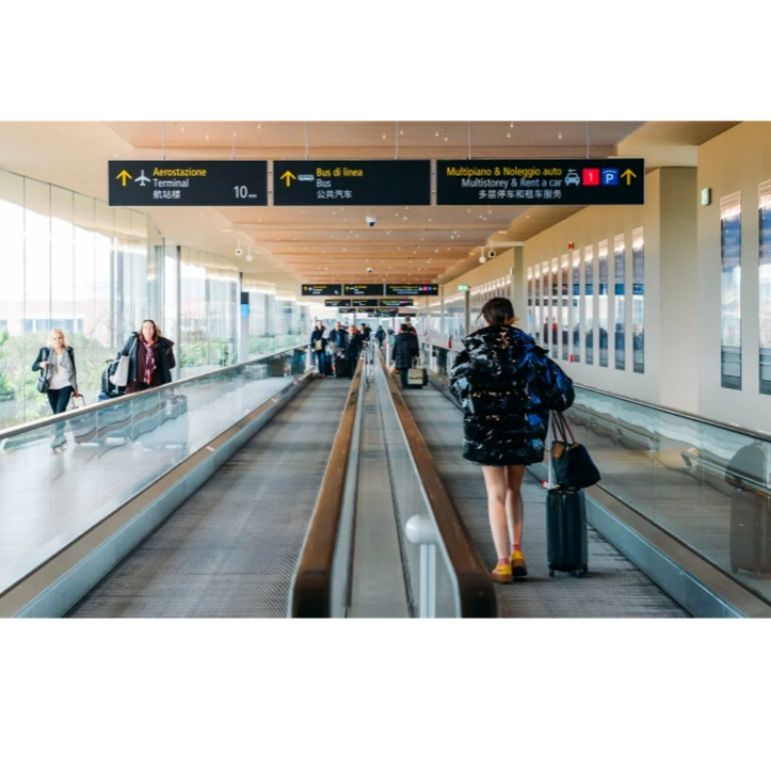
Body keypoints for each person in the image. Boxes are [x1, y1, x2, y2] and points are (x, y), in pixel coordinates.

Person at [449, 297, 575, 584]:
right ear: (512, 318)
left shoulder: (472, 350)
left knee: (495, 494)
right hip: (523, 429)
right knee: (513, 490)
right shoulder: (530, 349)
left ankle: (503, 563)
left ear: (484, 318)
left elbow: (457, 386)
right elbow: (561, 389)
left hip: (486, 432)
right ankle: (518, 552)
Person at [32, 328, 81, 448]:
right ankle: (61, 436)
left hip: (66, 385)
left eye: (60, 337)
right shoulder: (45, 351)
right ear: (50, 339)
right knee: (57, 414)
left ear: (63, 338)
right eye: (54, 338)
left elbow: (73, 370)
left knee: (60, 412)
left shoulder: (69, 351)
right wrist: (41, 364)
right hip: (51, 387)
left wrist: (75, 388)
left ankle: (57, 438)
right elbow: (33, 367)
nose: (57, 340)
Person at [121, 319, 176, 393]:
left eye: (151, 328)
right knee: (134, 403)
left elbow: (171, 364)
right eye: (145, 328)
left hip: (156, 384)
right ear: (141, 330)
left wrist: (167, 352)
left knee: (155, 404)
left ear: (154, 330)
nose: (148, 330)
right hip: (135, 383)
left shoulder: (163, 344)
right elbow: (122, 356)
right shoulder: (134, 341)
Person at [390, 323, 419, 388]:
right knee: (407, 369)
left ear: (401, 329)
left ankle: (403, 384)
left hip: (399, 356)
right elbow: (414, 347)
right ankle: (407, 383)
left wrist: (393, 357)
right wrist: (416, 354)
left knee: (402, 370)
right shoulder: (411, 336)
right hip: (408, 355)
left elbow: (395, 347)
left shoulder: (398, 337)